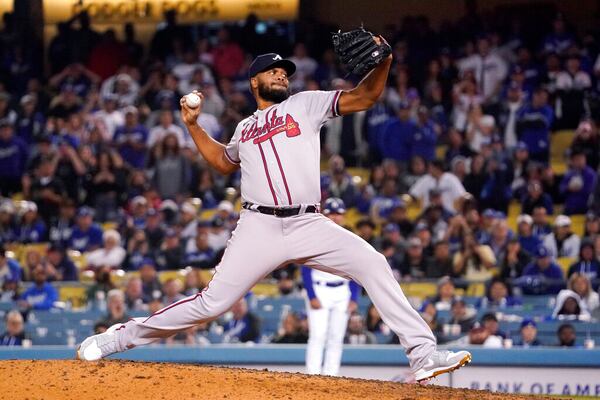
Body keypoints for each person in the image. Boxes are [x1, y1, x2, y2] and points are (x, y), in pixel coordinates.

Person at [77, 49, 470, 382]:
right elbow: (222, 161)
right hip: (258, 226)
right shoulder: (244, 128)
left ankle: (422, 355)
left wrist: (383, 62)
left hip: (308, 222)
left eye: (284, 71)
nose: (282, 74)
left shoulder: (306, 104)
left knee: (373, 262)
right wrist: (193, 126)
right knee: (211, 304)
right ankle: (118, 338)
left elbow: (364, 97)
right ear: (254, 82)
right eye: (273, 70)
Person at [301, 197, 360, 376]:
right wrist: (311, 295)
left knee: (336, 337)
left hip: (342, 290)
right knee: (318, 335)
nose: (335, 217)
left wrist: (354, 297)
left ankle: (331, 376)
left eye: (338, 214)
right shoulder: (314, 236)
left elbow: (356, 269)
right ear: (323, 215)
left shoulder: (349, 238)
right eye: (331, 213)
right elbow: (305, 269)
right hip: (320, 289)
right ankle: (313, 375)